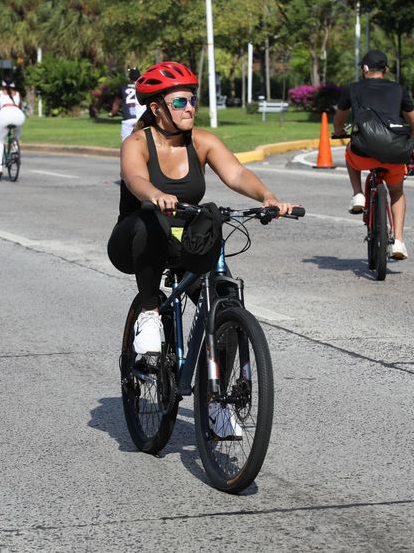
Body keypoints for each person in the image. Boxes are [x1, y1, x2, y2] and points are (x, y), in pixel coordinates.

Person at [108, 61, 296, 356]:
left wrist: (267, 197)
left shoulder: (202, 141)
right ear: (157, 110)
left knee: (226, 300)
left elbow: (236, 174)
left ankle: (218, 395)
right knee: (150, 220)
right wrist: (155, 194)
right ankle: (149, 312)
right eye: (180, 102)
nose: (190, 108)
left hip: (183, 241)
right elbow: (135, 179)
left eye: (192, 100)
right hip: (136, 242)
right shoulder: (136, 143)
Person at [333, 49, 414, 260]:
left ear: (364, 69)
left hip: (363, 153)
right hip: (394, 154)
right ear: (386, 69)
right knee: (397, 191)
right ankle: (398, 241)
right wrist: (412, 136)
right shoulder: (398, 89)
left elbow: (338, 119)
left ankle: (358, 194)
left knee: (349, 153)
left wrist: (338, 132)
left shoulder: (352, 89)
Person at [108, 68, 146, 142]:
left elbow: (117, 102)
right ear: (140, 76)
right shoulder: (143, 86)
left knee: (126, 144)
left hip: (128, 119)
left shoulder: (123, 87)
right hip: (142, 119)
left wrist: (112, 113)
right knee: (144, 143)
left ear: (129, 78)